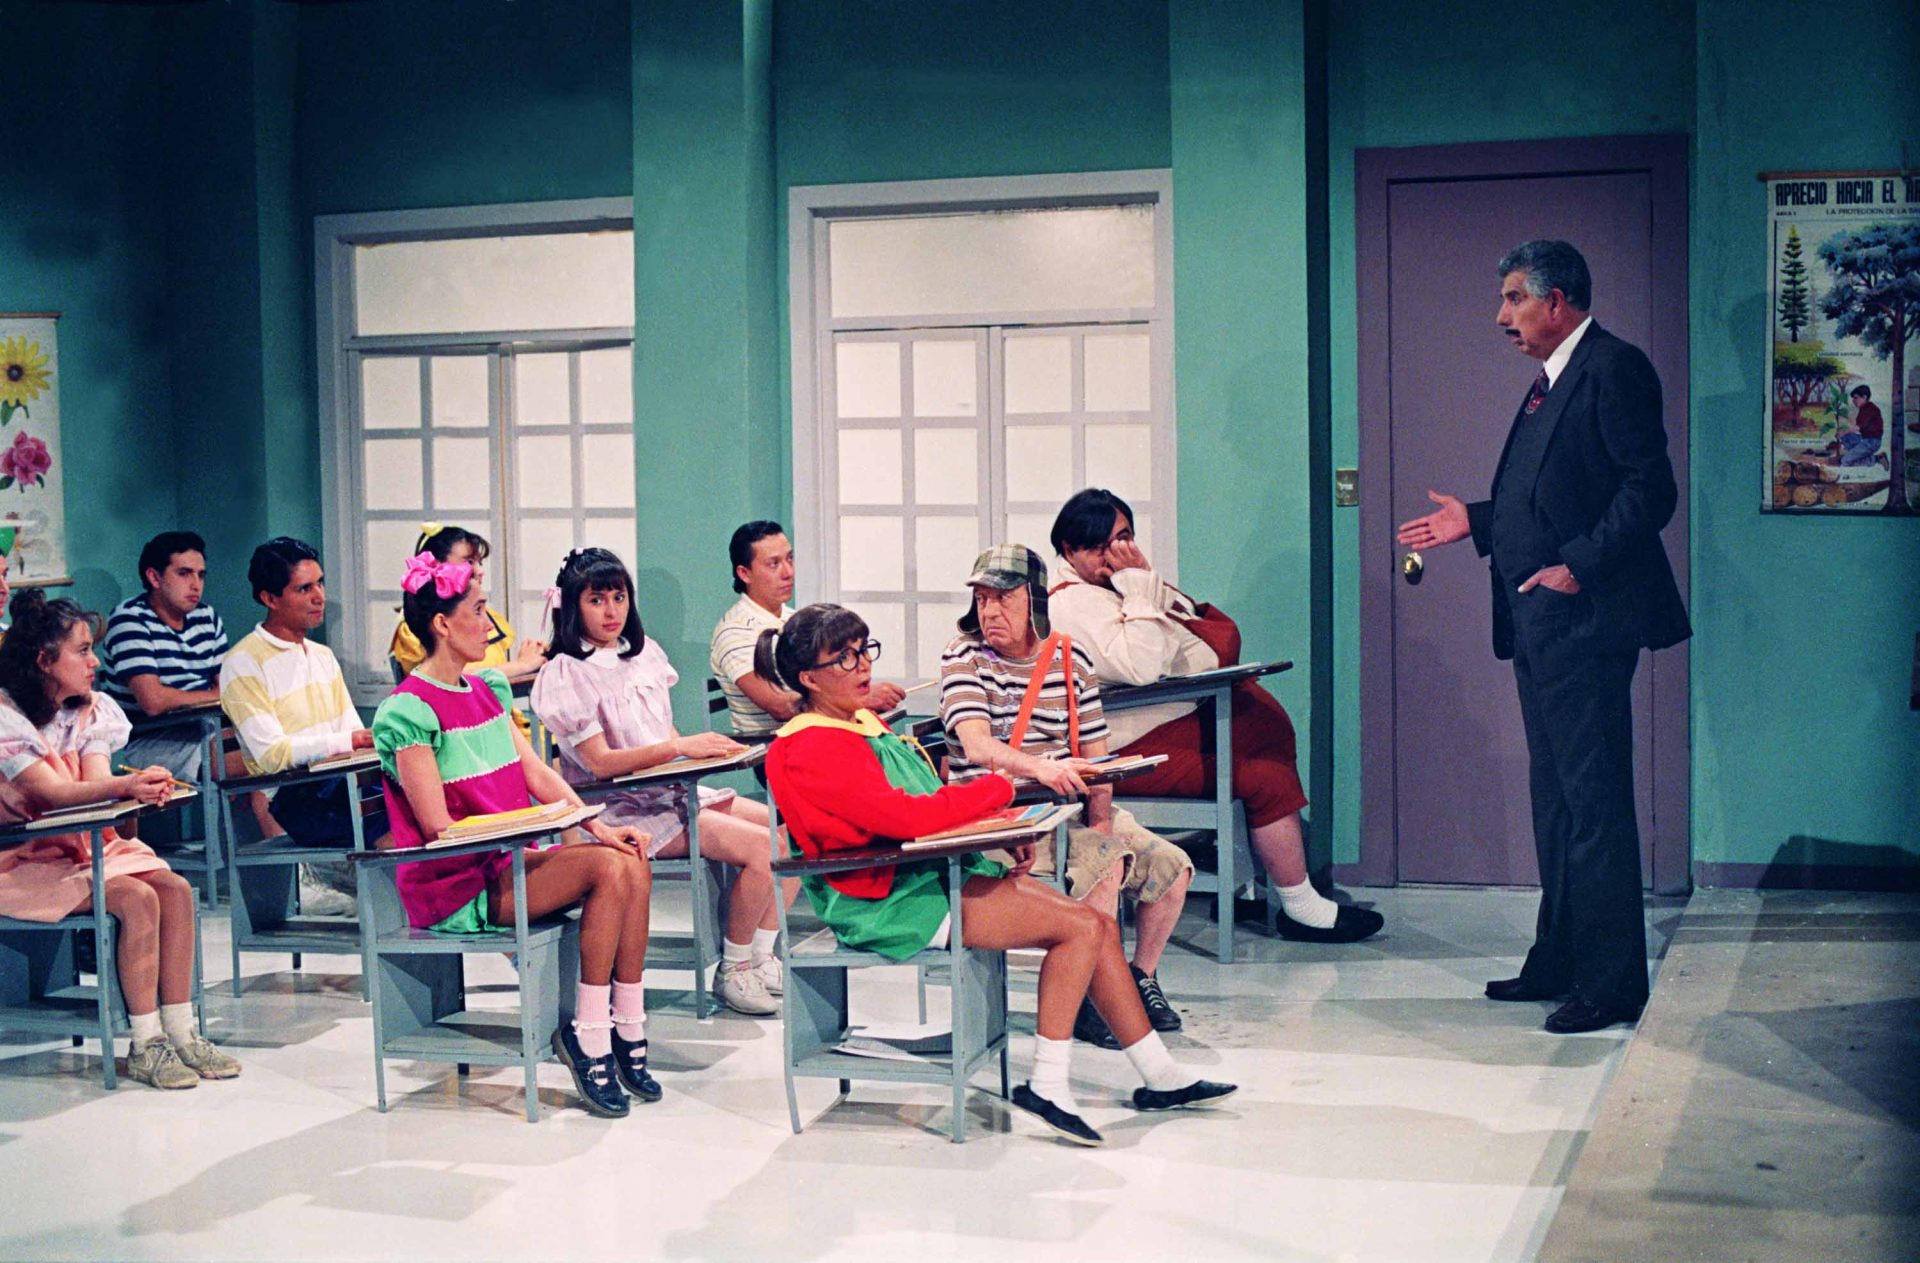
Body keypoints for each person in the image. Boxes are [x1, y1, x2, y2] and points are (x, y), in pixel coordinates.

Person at [760, 602, 1235, 1147]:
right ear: (807, 678)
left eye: (863, 649)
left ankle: (1160, 1074)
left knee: (1098, 926)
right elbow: (903, 818)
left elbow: (927, 799)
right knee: (1081, 928)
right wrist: (1000, 790)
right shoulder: (807, 745)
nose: (863, 664)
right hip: (885, 898)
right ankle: (1048, 1085)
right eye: (843, 658)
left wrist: (999, 829)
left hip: (927, 873)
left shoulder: (859, 724)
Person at [1396, 239, 1691, 1035]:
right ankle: (1559, 958)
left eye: (1514, 298)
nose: (1502, 315)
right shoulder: (1550, 381)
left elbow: (1651, 490)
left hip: (1586, 622)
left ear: (1557, 301)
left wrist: (1578, 566)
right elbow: (1552, 494)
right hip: (1541, 627)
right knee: (1557, 802)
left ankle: (1612, 983)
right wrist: (1477, 521)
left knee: (1593, 804)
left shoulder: (1613, 368)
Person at [373, 550, 656, 1117]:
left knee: (628, 855)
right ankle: (589, 1034)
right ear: (442, 624)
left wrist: (596, 825)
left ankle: (625, 1021)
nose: (491, 624)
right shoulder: (406, 711)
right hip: (457, 882)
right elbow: (438, 827)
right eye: (479, 610)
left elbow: (537, 774)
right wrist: (532, 826)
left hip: (507, 860)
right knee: (607, 867)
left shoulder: (486, 690)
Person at [1046, 488, 1384, 945]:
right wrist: (1139, 592)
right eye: (1099, 546)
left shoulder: (1118, 583)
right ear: (1069, 549)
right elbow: (1142, 667)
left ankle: (1261, 887)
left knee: (1265, 732)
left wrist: (1142, 579)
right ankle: (1300, 906)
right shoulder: (1071, 602)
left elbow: (1198, 626)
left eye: (1123, 539)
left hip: (1170, 716)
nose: (1115, 556)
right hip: (1119, 744)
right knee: (1261, 776)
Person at [939, 544, 1201, 1049]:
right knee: (1106, 863)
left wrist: (1100, 822)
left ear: (1034, 600)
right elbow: (976, 745)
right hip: (1000, 818)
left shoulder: (1070, 657)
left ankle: (1137, 979)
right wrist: (1040, 767)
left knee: (1172, 868)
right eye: (982, 599)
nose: (990, 611)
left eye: (1003, 598)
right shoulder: (964, 656)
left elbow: (1097, 757)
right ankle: (1090, 999)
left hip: (1068, 809)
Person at [533, 548, 795, 1017]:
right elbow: (600, 764)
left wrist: (697, 751)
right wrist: (679, 748)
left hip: (671, 792)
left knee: (798, 832)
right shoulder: (566, 672)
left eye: (619, 597)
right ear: (573, 606)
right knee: (765, 849)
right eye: (596, 600)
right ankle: (734, 969)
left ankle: (761, 954)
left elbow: (664, 733)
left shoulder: (642, 652)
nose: (611, 611)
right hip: (621, 808)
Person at [0, 590, 241, 1089]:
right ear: (44, 661)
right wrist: (124, 788)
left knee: (175, 889)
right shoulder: (7, 720)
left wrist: (138, 788)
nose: (95, 662)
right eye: (83, 651)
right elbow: (52, 794)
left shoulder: (87, 710)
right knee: (134, 897)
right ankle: (146, 1042)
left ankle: (182, 1030)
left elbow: (94, 784)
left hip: (83, 846)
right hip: (24, 859)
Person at [219, 537, 388, 910]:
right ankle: (412, 904)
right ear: (270, 598)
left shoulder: (323, 656)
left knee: (418, 788)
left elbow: (352, 734)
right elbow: (271, 754)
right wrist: (348, 742)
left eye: (320, 583)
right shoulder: (243, 662)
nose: (319, 597)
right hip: (293, 797)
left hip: (337, 784)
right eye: (304, 588)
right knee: (395, 812)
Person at [710, 520, 904, 739]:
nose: (788, 572)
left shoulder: (792, 618)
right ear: (744, 573)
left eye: (790, 558)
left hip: (823, 732)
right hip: (775, 745)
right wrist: (860, 698)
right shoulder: (734, 633)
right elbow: (779, 705)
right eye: (773, 564)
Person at [100, 532, 231, 782]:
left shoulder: (206, 617)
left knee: (271, 748)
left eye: (201, 575)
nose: (196, 584)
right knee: (260, 758)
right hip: (153, 740)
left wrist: (213, 696)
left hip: (208, 729)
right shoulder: (129, 619)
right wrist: (214, 696)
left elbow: (229, 689)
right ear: (154, 577)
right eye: (184, 573)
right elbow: (153, 701)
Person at [388, 524, 547, 684]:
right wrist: (521, 665)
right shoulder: (417, 626)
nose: (480, 571)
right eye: (469, 561)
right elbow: (448, 678)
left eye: (479, 562)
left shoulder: (485, 618)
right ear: (436, 566)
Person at [1831, 385, 1885, 467]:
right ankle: (1862, 456)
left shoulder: (1869, 409)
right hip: (1865, 439)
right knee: (1845, 436)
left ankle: (1875, 459)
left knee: (1845, 461)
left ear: (1864, 397)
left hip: (1872, 442)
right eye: (1853, 398)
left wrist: (1843, 432)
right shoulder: (1864, 408)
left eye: (1856, 398)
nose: (1853, 401)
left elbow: (1858, 427)